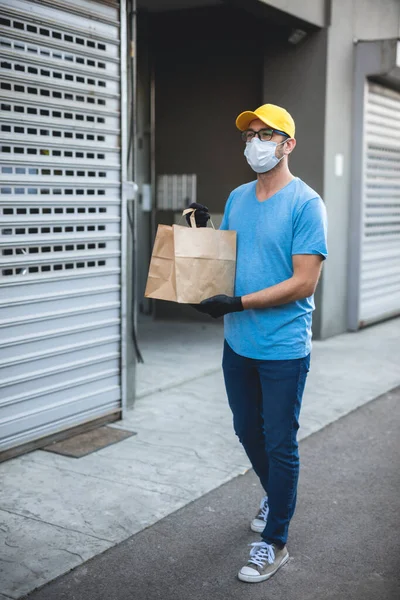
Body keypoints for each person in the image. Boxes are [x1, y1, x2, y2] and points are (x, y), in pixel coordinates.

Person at [188, 103, 328, 583]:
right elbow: (230, 257)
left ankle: (276, 540)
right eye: (250, 134)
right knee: (247, 430)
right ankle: (277, 495)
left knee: (279, 441)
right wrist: (204, 228)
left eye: (266, 134)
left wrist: (239, 302)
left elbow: (304, 282)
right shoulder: (238, 196)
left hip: (283, 347)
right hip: (238, 342)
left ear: (288, 144)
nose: (256, 142)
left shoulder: (306, 204)